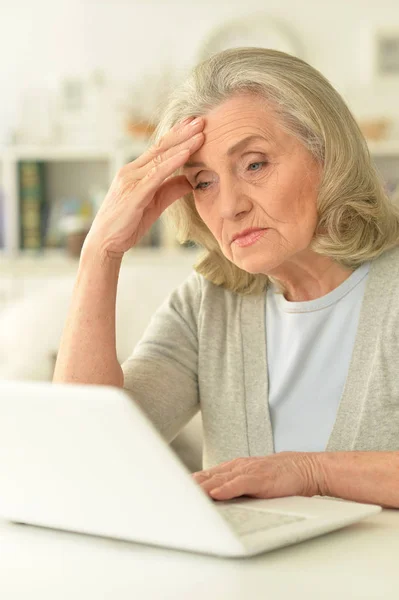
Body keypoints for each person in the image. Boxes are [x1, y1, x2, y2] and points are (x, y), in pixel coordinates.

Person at [53, 47, 399, 509]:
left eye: (254, 164)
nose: (230, 205)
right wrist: (100, 253)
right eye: (203, 181)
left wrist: (310, 471)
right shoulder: (205, 305)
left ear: (326, 154)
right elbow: (85, 455)